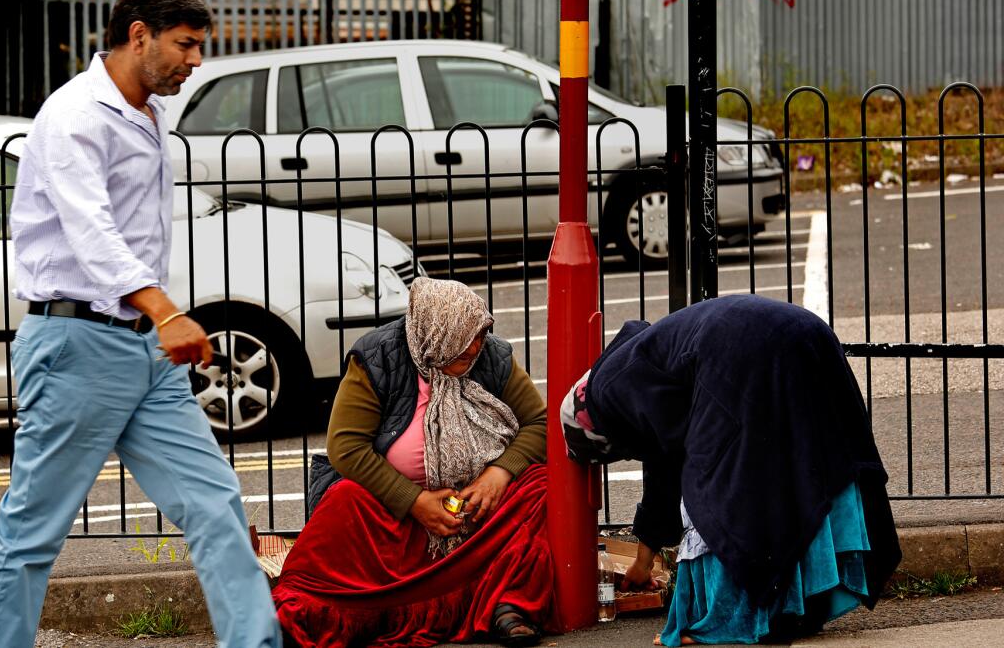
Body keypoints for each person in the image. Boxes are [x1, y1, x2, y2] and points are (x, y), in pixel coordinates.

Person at [0, 0, 281, 647]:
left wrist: (158, 322)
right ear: (137, 34)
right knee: (32, 532)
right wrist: (168, 311)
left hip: (145, 349)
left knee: (214, 504)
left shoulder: (145, 112)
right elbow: (91, 230)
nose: (196, 61)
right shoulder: (76, 114)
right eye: (186, 45)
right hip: (77, 342)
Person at [560, 295, 901, 646]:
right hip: (807, 332)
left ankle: (731, 618)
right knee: (802, 468)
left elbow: (665, 462)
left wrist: (644, 558)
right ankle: (803, 607)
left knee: (716, 488)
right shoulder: (634, 356)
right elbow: (662, 454)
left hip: (744, 351)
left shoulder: (609, 390)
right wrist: (644, 562)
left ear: (595, 433)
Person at [274, 277, 552, 647]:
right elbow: (346, 447)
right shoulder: (378, 358)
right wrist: (415, 502)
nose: (474, 347)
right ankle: (324, 611)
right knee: (345, 500)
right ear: (433, 337)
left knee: (542, 485)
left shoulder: (491, 356)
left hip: (478, 517)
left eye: (479, 336)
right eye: (461, 343)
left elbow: (540, 423)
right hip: (397, 520)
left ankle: (505, 602)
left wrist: (498, 474)